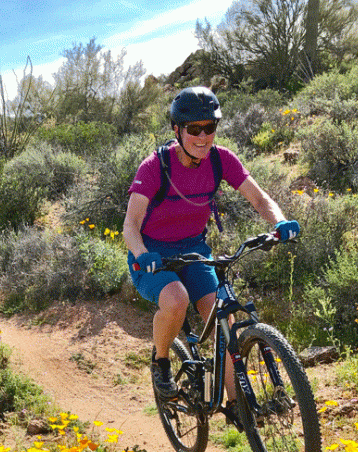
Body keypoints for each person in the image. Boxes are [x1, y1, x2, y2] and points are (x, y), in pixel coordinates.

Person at [122, 86, 299, 423]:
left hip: (195, 251)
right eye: (194, 129)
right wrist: (142, 252)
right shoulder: (154, 167)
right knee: (175, 300)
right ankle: (161, 362)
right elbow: (130, 225)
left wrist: (280, 222)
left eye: (210, 127)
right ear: (177, 130)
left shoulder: (221, 159)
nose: (203, 136)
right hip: (152, 256)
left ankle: (236, 406)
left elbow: (260, 199)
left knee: (223, 319)